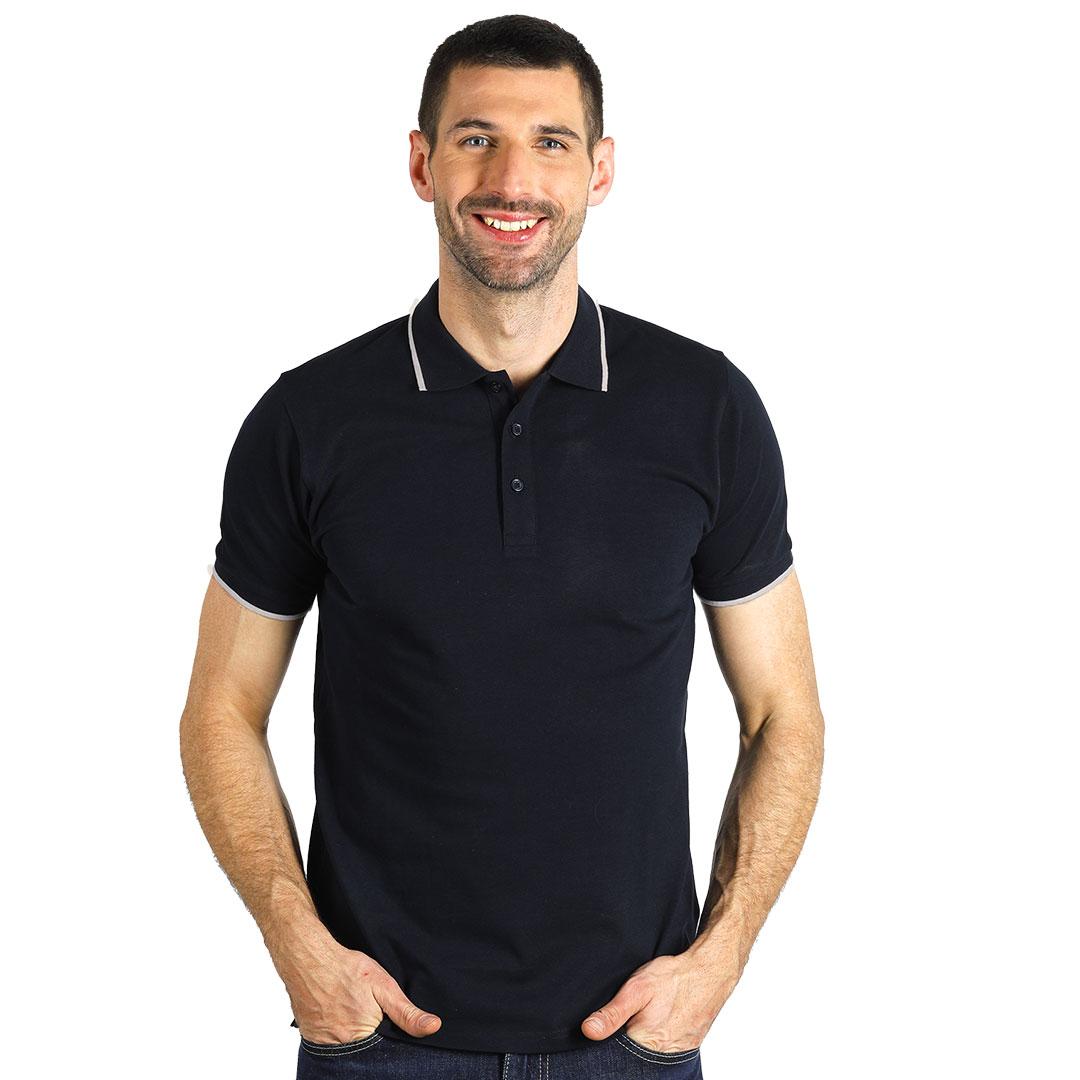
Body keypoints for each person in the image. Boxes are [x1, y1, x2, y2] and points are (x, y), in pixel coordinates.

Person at [180, 14, 824, 1080]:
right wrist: (301, 950)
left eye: (551, 142)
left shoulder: (705, 409)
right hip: (377, 1042)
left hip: (633, 1041)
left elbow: (783, 711)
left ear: (600, 170)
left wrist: (722, 956)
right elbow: (221, 708)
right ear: (421, 164)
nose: (512, 178)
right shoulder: (310, 420)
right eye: (476, 138)